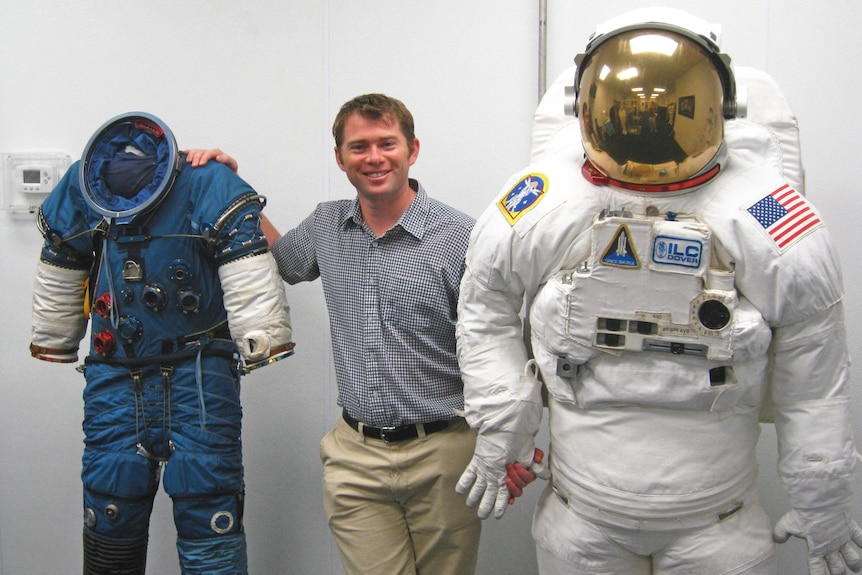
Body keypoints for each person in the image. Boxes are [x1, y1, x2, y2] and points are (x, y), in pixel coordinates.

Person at [454, 8, 862, 575]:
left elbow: (815, 375)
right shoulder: (546, 199)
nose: (647, 130)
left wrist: (823, 495)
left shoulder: (767, 215)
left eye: (668, 108)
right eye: (629, 109)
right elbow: (485, 307)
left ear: (722, 107)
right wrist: (502, 429)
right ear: (587, 108)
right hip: (582, 518)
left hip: (715, 524)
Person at [188, 93, 482, 574]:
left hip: (443, 453)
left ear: (413, 149)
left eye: (387, 143)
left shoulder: (460, 237)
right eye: (359, 146)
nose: (374, 158)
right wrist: (231, 187)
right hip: (356, 456)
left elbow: (494, 345)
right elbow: (282, 262)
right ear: (340, 157)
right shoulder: (328, 224)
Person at [29, 112, 294, 574]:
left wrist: (262, 336)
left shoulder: (206, 182)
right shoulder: (82, 187)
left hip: (198, 378)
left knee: (208, 502)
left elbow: (246, 254)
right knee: (111, 503)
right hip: (118, 376)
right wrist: (53, 336)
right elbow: (63, 255)